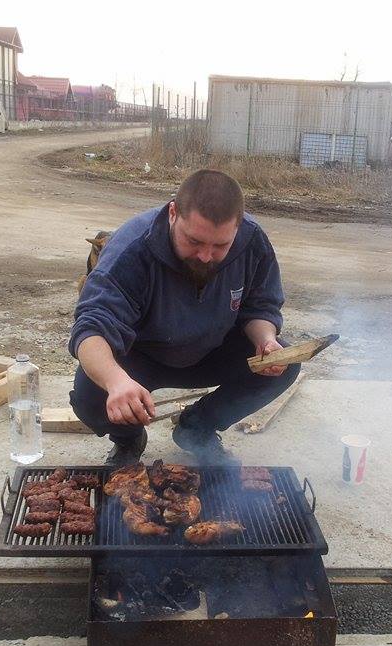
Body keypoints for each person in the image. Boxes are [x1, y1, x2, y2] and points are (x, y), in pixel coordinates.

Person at [69, 169, 300, 467]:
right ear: (173, 213)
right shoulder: (133, 247)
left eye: (220, 246)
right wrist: (116, 382)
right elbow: (91, 327)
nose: (205, 256)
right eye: (194, 241)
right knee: (90, 393)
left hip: (214, 350)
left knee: (285, 363)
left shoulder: (251, 240)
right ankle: (128, 437)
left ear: (238, 227)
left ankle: (196, 428)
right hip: (143, 356)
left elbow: (260, 306)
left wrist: (265, 340)